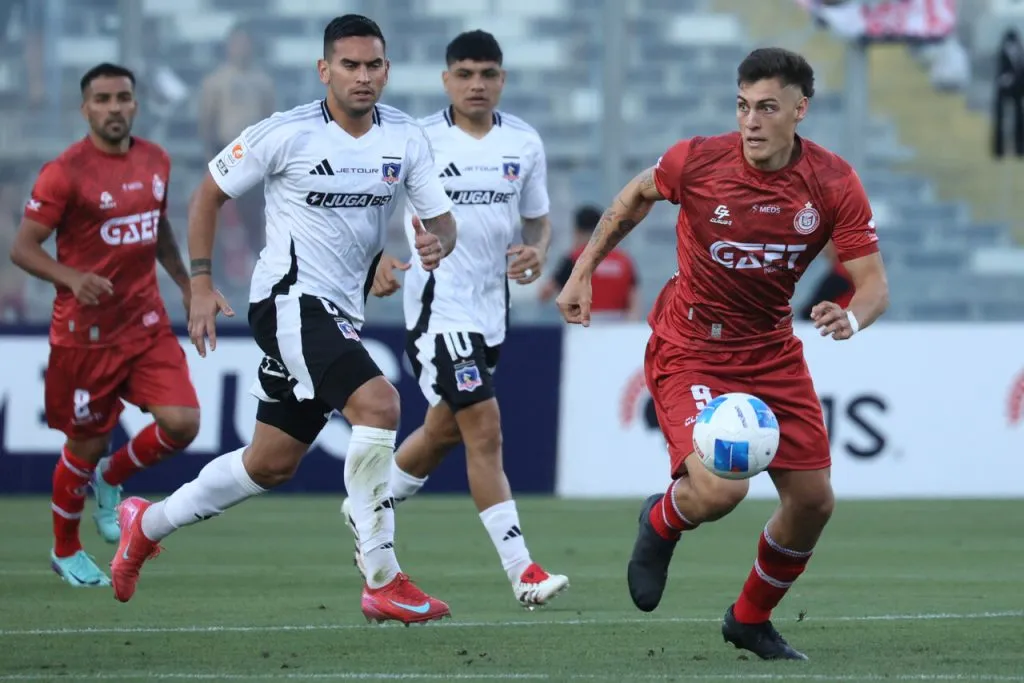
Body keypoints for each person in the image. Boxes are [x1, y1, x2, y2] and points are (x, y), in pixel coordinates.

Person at [109, 15, 458, 626]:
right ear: (324, 70)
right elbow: (208, 194)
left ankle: (148, 521)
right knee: (379, 406)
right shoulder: (285, 133)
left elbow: (441, 221)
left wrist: (437, 244)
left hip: (341, 313)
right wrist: (198, 282)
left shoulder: (406, 138)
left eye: (373, 65)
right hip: (288, 301)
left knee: (269, 462)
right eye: (349, 65)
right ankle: (382, 576)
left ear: (388, 71)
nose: (363, 76)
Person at [555, 48, 889, 660]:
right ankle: (660, 522)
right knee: (720, 491)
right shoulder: (699, 161)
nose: (751, 121)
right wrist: (583, 271)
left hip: (771, 352)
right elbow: (634, 195)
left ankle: (749, 619)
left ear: (799, 110)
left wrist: (851, 316)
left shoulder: (833, 181)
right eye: (742, 106)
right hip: (693, 348)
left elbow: (873, 285)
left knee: (814, 502)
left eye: (766, 108)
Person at [347, 29, 569, 608]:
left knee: (446, 430)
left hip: (491, 310)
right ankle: (523, 570)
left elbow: (538, 220)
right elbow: (371, 204)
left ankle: (367, 505)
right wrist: (378, 264)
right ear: (447, 80)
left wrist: (539, 249)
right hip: (438, 309)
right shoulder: (417, 139)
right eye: (465, 74)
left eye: (488, 74)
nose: (477, 85)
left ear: (502, 80)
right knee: (485, 428)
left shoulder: (523, 142)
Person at [9, 63, 200, 587]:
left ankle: (112, 479)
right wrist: (71, 278)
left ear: (135, 104)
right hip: (85, 336)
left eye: (122, 98)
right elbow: (23, 248)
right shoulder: (64, 171)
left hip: (145, 322)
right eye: (102, 99)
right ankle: (65, 549)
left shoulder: (156, 160)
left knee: (183, 423)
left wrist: (185, 283)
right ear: (85, 108)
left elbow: (156, 227)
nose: (114, 107)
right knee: (84, 445)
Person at [538, 205, 641, 322]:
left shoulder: (574, 259)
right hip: (618, 326)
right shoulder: (624, 260)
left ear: (577, 231)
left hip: (583, 326)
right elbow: (634, 301)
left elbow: (544, 294)